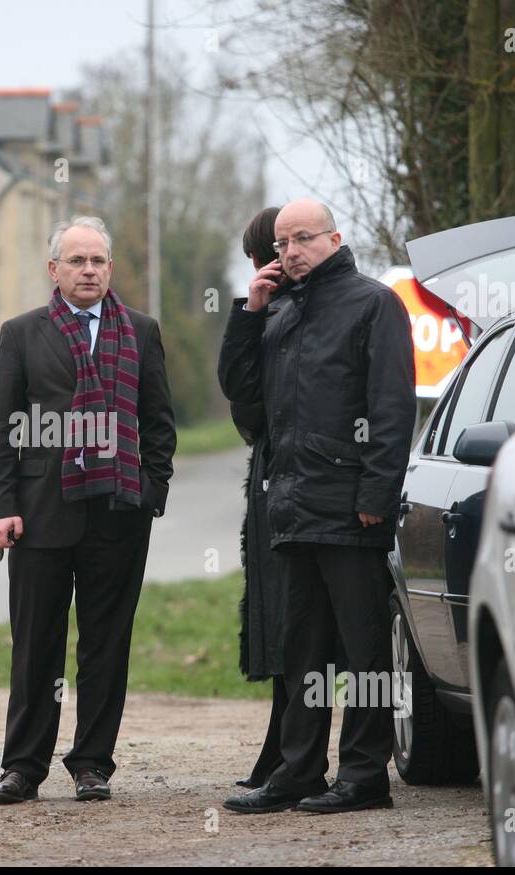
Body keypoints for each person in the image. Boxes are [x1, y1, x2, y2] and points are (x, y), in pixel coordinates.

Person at [218, 198, 414, 814]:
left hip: (352, 510)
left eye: (302, 239)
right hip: (292, 509)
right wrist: (249, 314)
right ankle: (298, 770)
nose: (291, 252)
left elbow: (391, 409)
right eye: (282, 244)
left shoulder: (373, 303)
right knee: (301, 650)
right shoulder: (278, 311)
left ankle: (363, 777)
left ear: (334, 237)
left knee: (363, 653)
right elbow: (242, 395)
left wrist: (376, 497)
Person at [0, 215, 176, 804]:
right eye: (76, 261)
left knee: (105, 642)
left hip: (118, 511)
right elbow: (2, 426)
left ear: (109, 269)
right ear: (54, 270)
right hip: (40, 510)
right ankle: (23, 766)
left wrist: (151, 491)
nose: (88, 270)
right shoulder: (22, 333)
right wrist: (1, 506)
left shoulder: (140, 331)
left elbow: (159, 422)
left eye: (97, 261)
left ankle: (92, 763)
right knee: (36, 642)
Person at [229, 207, 289, 791]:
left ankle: (298, 757)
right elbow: (242, 406)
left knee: (304, 626)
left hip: (313, 487)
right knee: (276, 622)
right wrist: (251, 314)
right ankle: (282, 751)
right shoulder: (260, 315)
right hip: (269, 485)